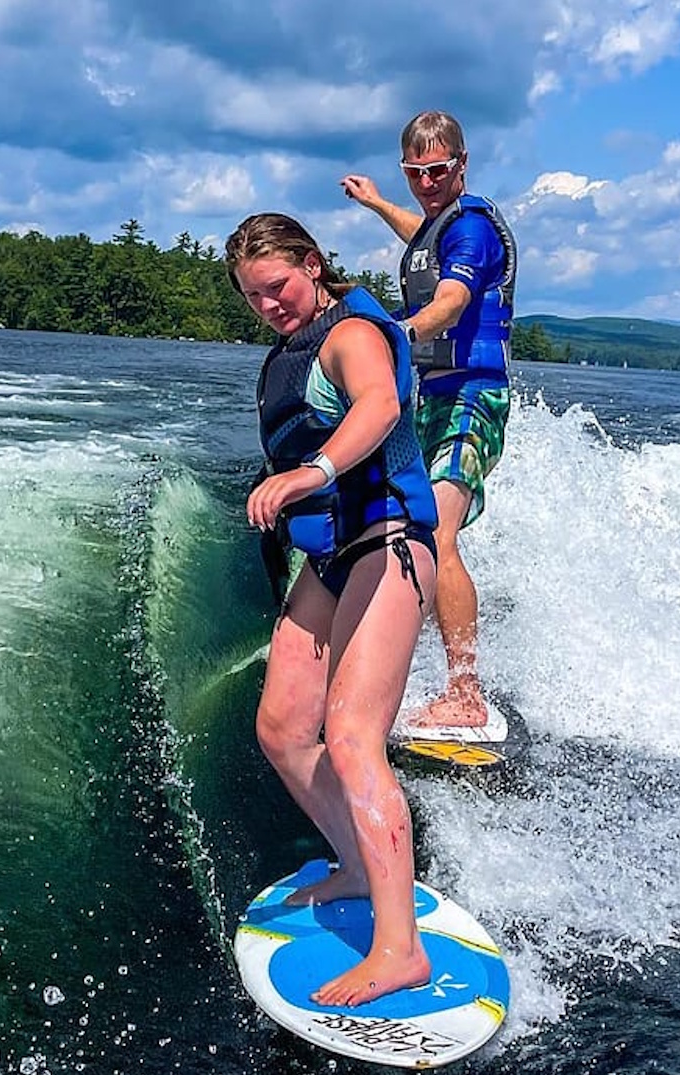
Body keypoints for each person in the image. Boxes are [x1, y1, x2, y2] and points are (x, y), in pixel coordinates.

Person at [225, 212, 440, 1007]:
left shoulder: (350, 334)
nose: (269, 306)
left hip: (389, 541)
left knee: (351, 737)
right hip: (331, 555)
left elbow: (378, 406)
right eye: (253, 297)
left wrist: (309, 473)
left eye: (278, 286)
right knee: (283, 730)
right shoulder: (292, 349)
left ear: (313, 265)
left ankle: (400, 950)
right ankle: (357, 863)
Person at [341, 110, 517, 730]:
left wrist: (396, 334)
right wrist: (377, 204)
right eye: (415, 173)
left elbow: (451, 300)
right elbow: (420, 236)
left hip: (474, 397)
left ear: (462, 164)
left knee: (438, 534)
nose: (427, 183)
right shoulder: (440, 225)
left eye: (439, 170)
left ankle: (465, 692)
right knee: (404, 526)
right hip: (434, 399)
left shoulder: (472, 231)